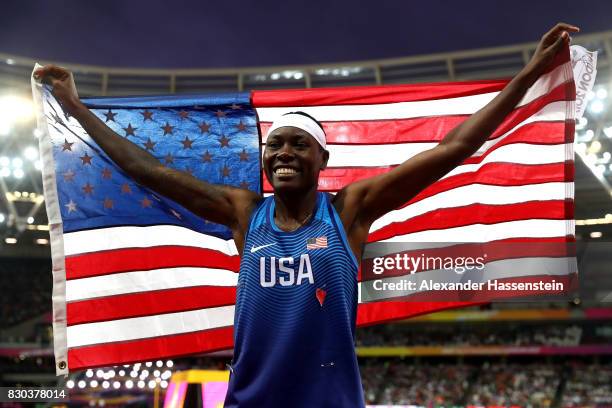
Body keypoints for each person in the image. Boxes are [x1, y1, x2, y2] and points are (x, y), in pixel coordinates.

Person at [35, 22, 578, 407]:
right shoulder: (246, 212)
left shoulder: (350, 210)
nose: (282, 153)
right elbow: (149, 171)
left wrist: (530, 72)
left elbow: (452, 149)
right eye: (274, 147)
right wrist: (77, 107)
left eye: (297, 144)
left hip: (330, 400)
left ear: (323, 158)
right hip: (250, 399)